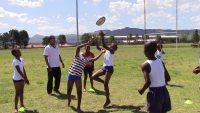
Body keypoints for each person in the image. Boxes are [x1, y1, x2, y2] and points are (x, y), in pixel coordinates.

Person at [66, 39, 105, 113]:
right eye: (82, 52)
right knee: (69, 90)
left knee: (79, 92)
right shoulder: (77, 56)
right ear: (80, 53)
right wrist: (86, 43)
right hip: (71, 75)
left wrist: (101, 52)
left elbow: (94, 59)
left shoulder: (86, 60)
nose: (83, 53)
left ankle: (78, 107)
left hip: (78, 77)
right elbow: (78, 47)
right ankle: (69, 101)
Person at [138, 41, 171, 113]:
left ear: (145, 51)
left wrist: (141, 89)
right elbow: (168, 78)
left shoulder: (145, 65)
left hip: (155, 93)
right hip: (164, 91)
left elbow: (147, 82)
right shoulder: (161, 62)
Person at [92, 30, 118, 108]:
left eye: (112, 45)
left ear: (114, 48)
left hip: (109, 68)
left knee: (106, 84)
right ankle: (104, 82)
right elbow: (98, 47)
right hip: (104, 68)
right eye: (111, 44)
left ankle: (107, 100)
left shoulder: (112, 51)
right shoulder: (106, 50)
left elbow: (104, 45)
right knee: (93, 77)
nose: (110, 45)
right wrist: (96, 39)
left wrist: (102, 36)